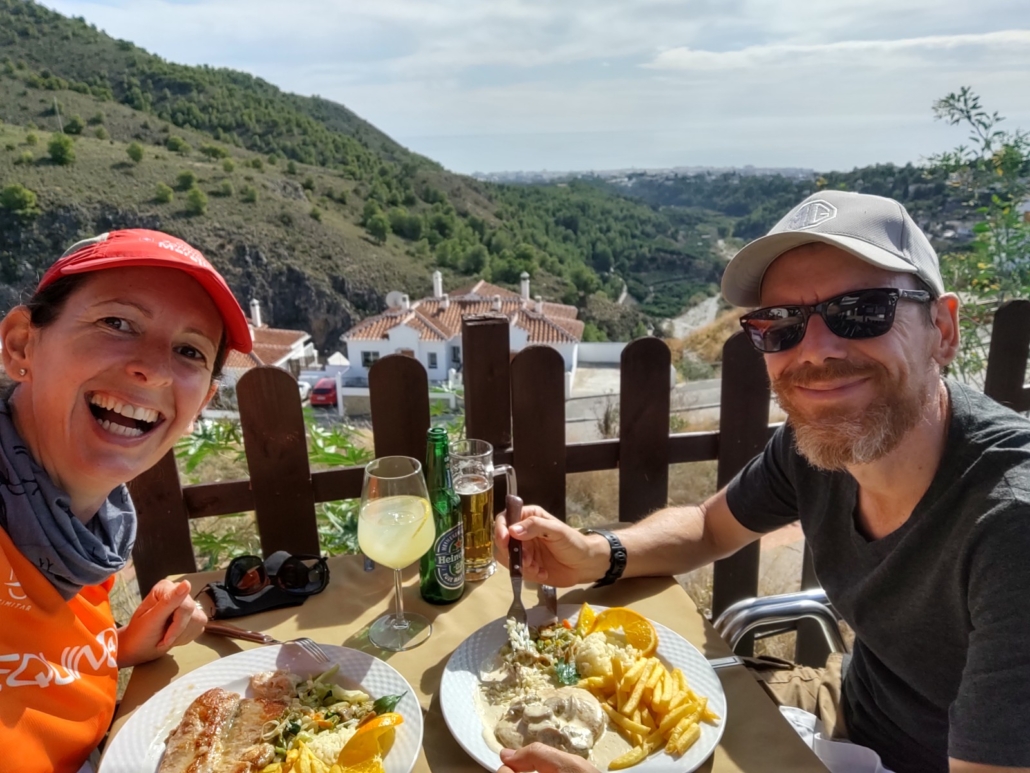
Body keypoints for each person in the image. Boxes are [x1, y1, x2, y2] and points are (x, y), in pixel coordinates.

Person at [494, 191, 1030, 773]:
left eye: (862, 310)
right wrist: (596, 555)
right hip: (845, 707)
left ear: (944, 329)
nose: (816, 351)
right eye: (781, 325)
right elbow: (706, 527)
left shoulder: (1011, 528)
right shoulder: (819, 445)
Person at [0, 229, 253, 773]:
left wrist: (115, 649)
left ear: (202, 402)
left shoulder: (81, 524)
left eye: (189, 351)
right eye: (117, 323)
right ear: (23, 344)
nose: (155, 369)